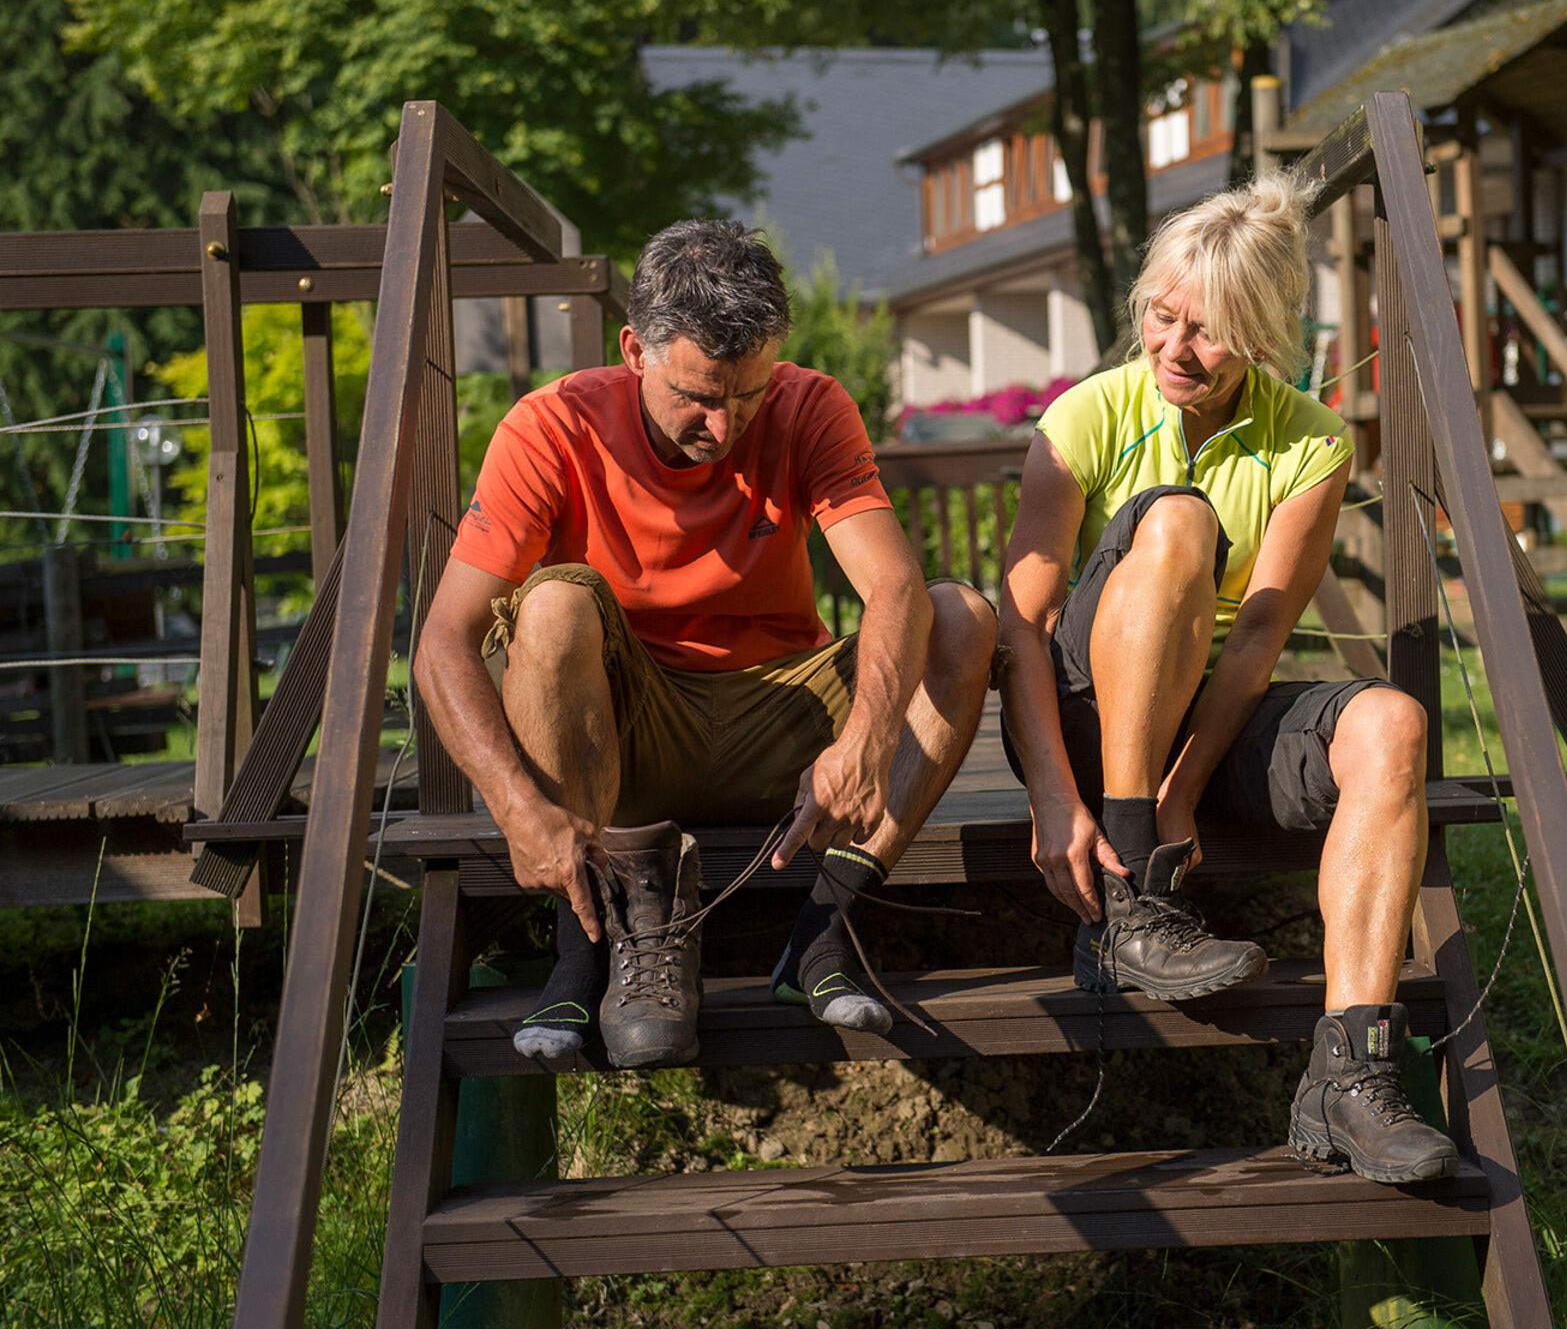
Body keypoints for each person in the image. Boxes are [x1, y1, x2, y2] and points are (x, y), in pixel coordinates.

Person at [416, 219, 996, 1070]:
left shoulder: (811, 404)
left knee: (961, 617)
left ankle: (827, 927)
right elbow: (441, 643)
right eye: (700, 395)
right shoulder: (552, 425)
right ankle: (585, 945)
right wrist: (515, 806)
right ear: (633, 350)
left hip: (785, 730)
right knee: (550, 607)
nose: (726, 427)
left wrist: (868, 737)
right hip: (627, 741)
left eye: (748, 395)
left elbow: (895, 587)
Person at [996, 172, 1457, 1184]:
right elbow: (1020, 625)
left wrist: (1184, 793)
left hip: (1202, 717)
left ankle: (1352, 1073)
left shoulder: (1314, 442)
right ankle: (1133, 911)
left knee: (1392, 723)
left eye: (1205, 331)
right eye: (1162, 316)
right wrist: (1053, 798)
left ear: (1258, 335)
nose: (1173, 347)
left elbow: (1255, 641)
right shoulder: (1084, 416)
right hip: (1088, 711)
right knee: (1178, 519)